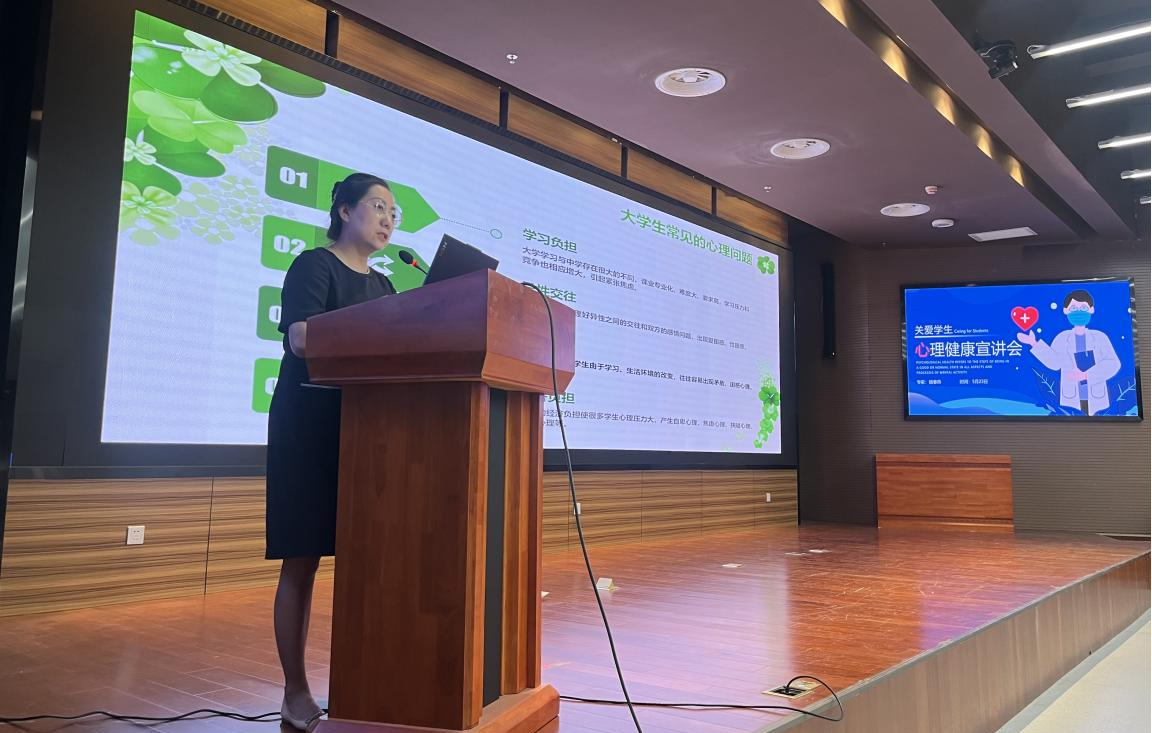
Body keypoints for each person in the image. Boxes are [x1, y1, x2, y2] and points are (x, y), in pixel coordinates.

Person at [265, 173, 398, 730]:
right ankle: (295, 693)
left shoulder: (386, 285)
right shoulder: (314, 265)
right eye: (378, 206)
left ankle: (364, 682)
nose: (388, 219)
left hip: (367, 432)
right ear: (345, 211)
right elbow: (300, 338)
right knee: (303, 558)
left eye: (394, 212)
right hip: (309, 427)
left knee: (369, 557)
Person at [1017, 289, 1120, 415]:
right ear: (1066, 311)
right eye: (1073, 308)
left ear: (1091, 309)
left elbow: (1113, 364)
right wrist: (1033, 343)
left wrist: (1086, 375)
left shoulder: (1100, 337)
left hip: (1096, 397)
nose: (1079, 312)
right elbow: (1054, 363)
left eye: (1083, 308)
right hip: (1071, 397)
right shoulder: (1062, 337)